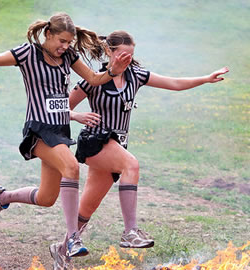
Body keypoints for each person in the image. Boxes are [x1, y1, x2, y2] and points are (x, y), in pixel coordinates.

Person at [0, 14, 132, 270]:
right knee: (72, 168)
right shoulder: (27, 54)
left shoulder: (68, 57)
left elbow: (94, 78)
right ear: (48, 35)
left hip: (60, 131)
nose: (65, 46)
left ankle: (2, 196)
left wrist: (113, 71)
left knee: (46, 198)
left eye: (69, 42)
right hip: (38, 131)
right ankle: (71, 239)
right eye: (62, 41)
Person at [69, 30, 228, 254]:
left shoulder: (137, 75)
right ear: (109, 51)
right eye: (121, 55)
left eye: (130, 55)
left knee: (87, 208)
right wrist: (77, 116)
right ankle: (130, 232)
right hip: (96, 142)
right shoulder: (94, 79)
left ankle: (64, 246)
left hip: (117, 146)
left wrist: (205, 78)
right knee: (131, 165)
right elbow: (59, 108)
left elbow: (173, 83)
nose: (126, 60)